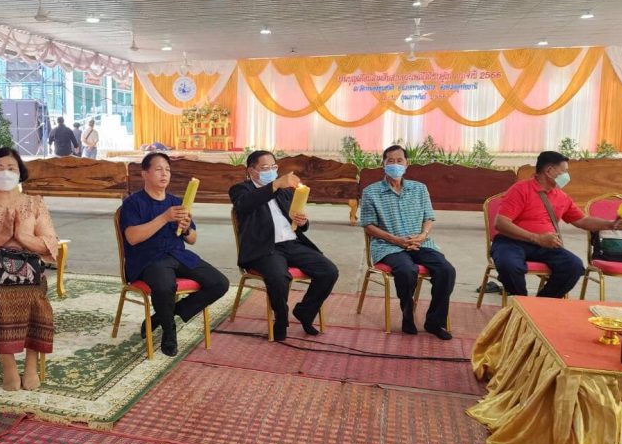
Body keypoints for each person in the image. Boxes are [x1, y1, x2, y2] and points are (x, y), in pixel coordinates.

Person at [0, 147, 59, 391]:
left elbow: (51, 244)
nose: (5, 173)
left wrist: (23, 237)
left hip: (28, 273)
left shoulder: (35, 203)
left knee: (35, 299)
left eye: (11, 168)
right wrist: (3, 236)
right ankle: (9, 367)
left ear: (19, 173)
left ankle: (30, 366)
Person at [120, 152, 229, 356]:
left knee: (220, 283)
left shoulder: (176, 202)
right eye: (158, 169)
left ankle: (162, 316)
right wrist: (164, 218)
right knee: (164, 286)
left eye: (168, 170)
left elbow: (193, 239)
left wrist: (186, 228)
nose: (164, 174)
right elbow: (132, 238)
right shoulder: (133, 203)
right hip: (148, 259)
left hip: (178, 256)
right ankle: (169, 333)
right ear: (145, 174)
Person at [229, 150, 338, 341]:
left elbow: (300, 223)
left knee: (329, 271)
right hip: (265, 248)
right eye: (265, 168)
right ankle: (281, 318)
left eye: (274, 167)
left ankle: (305, 312)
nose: (271, 171)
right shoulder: (241, 190)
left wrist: (302, 221)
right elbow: (244, 204)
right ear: (251, 171)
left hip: (292, 243)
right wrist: (276, 184)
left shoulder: (284, 191)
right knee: (279, 277)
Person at [491, 151, 622, 298]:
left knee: (573, 266)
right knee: (509, 265)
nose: (567, 176)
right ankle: (520, 302)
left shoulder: (561, 197)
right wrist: (537, 238)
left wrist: (611, 224)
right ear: (549, 171)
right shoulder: (520, 189)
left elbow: (582, 221)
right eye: (564, 171)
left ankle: (541, 304)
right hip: (512, 242)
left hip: (545, 246)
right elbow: (501, 223)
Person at [359, 144, 455, 339]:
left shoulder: (419, 189)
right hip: (388, 246)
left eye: (399, 160)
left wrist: (423, 235)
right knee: (406, 270)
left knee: (446, 270)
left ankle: (434, 322)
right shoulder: (371, 192)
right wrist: (395, 239)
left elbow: (428, 217)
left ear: (406, 163)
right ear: (383, 164)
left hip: (419, 243)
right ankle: (407, 314)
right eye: (390, 161)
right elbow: (368, 225)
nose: (395, 165)